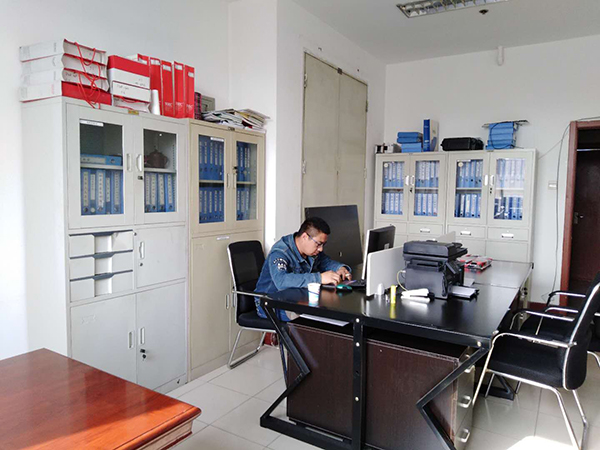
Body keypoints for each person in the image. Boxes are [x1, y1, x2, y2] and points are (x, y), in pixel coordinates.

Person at [254, 217, 351, 321]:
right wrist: (319, 278)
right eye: (318, 244)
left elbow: (325, 262)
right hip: (270, 304)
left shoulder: (311, 251)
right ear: (305, 237)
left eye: (323, 244)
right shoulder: (280, 252)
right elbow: (281, 281)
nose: (321, 249)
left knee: (334, 311)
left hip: (297, 300)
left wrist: (340, 268)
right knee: (316, 320)